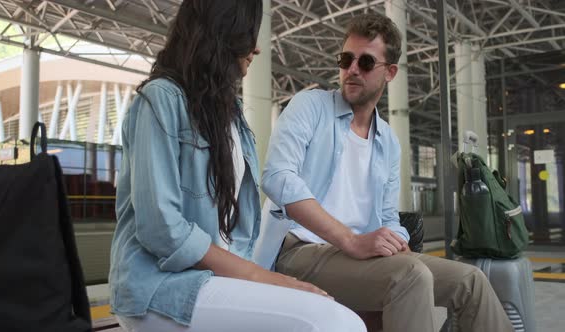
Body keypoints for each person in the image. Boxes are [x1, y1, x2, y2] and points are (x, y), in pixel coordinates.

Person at [108, 1, 366, 331]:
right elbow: (162, 229)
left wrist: (261, 279)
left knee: (335, 316)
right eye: (248, 34)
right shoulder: (159, 100)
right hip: (160, 289)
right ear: (222, 33)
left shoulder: (231, 116)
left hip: (212, 280)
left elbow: (231, 235)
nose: (256, 48)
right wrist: (265, 278)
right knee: (331, 322)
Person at [259, 11, 514, 332]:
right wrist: (350, 240)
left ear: (390, 72)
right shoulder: (309, 107)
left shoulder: (388, 142)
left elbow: (388, 218)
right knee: (410, 276)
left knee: (472, 281)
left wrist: (397, 239)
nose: (352, 69)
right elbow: (277, 177)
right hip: (301, 251)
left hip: (359, 257)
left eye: (365, 63)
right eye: (345, 59)